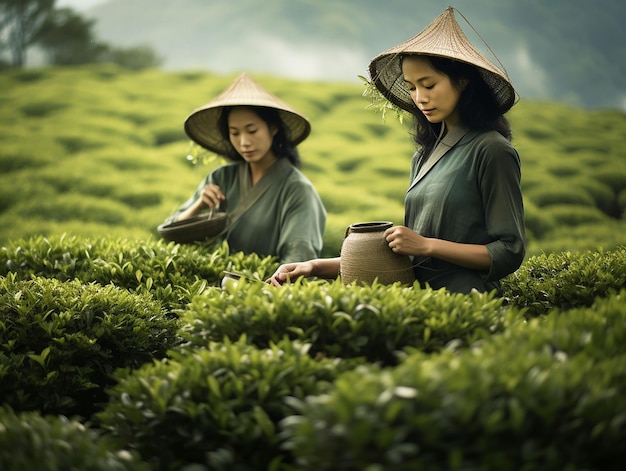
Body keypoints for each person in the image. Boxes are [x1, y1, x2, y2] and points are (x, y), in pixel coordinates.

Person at [268, 7, 525, 294]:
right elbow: (413, 257)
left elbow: (509, 250)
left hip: (467, 302)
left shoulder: (492, 150)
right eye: (412, 87)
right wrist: (313, 267)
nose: (420, 98)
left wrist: (427, 245)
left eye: (428, 85)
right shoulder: (425, 155)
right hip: (420, 298)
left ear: (463, 81)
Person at [162, 73, 326, 263]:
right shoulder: (220, 178)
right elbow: (170, 234)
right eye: (235, 133)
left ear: (273, 128)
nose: (244, 142)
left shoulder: (297, 189)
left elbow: (298, 255)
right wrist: (199, 206)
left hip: (261, 286)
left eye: (252, 131)